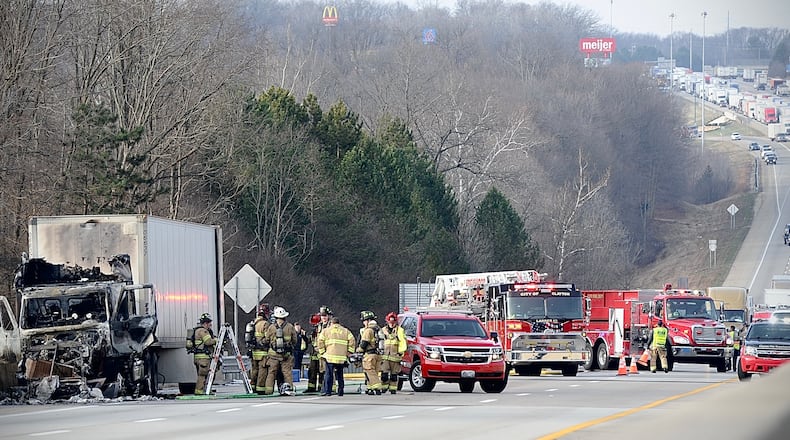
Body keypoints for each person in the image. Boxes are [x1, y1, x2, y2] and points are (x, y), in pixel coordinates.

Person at [316, 317, 356, 396]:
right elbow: (352, 340)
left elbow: (320, 341)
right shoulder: (345, 331)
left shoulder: (326, 331)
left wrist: (322, 352)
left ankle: (328, 391)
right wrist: (349, 351)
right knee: (340, 375)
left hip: (329, 357)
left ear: (331, 323)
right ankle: (341, 391)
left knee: (329, 375)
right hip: (341, 357)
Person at [263, 306, 297, 395]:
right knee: (287, 373)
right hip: (286, 355)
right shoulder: (290, 327)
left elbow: (267, 340)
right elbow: (294, 340)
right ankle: (289, 389)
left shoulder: (271, 327)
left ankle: (268, 391)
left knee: (271, 373)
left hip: (273, 355)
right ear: (285, 316)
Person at [306, 306, 332, 394]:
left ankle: (324, 387)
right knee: (312, 370)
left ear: (329, 316)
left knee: (324, 371)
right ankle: (311, 388)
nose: (323, 318)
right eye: (322, 316)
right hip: (315, 351)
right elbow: (314, 338)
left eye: (325, 316)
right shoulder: (319, 326)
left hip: (326, 352)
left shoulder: (331, 326)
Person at [379, 312, 406, 394]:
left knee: (394, 375)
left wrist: (401, 352)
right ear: (387, 321)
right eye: (390, 322)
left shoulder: (400, 330)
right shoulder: (383, 330)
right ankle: (384, 387)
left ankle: (393, 388)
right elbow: (380, 342)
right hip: (385, 357)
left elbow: (403, 342)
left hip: (395, 356)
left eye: (393, 322)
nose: (391, 324)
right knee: (384, 374)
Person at [358, 311, 382, 395]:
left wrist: (359, 350)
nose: (363, 323)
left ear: (367, 321)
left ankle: (377, 387)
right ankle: (370, 388)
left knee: (369, 371)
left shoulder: (368, 330)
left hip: (369, 354)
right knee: (373, 372)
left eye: (364, 321)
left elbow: (364, 342)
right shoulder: (378, 329)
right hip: (378, 355)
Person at [193, 313, 217, 394]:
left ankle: (204, 390)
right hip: (203, 358)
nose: (210, 325)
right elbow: (208, 342)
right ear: (205, 323)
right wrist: (217, 340)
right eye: (209, 323)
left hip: (198, 357)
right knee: (203, 375)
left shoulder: (197, 330)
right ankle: (200, 391)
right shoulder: (203, 331)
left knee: (202, 375)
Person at [251, 304, 271, 394]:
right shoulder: (265, 324)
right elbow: (268, 337)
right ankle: (260, 389)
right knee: (262, 371)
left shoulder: (253, 322)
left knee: (254, 370)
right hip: (263, 352)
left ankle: (253, 386)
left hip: (254, 352)